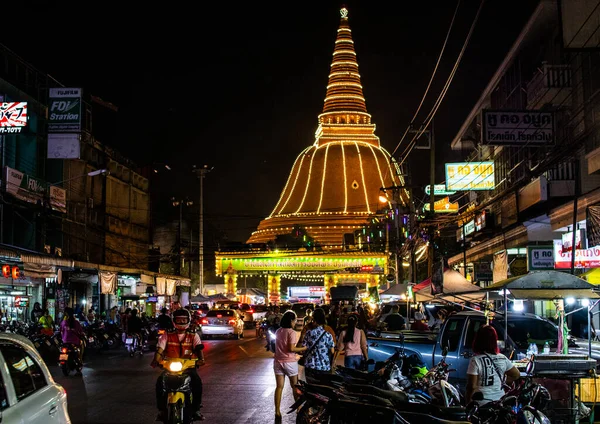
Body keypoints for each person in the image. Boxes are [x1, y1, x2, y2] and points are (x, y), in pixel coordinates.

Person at [151, 308, 205, 421]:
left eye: (183, 320)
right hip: (170, 367)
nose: (181, 322)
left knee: (197, 383)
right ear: (174, 321)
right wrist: (156, 360)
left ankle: (196, 410)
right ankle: (161, 410)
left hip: (188, 367)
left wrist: (201, 359)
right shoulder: (167, 334)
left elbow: (199, 349)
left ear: (188, 321)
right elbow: (160, 349)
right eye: (178, 320)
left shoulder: (193, 335)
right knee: (160, 383)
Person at [465, 325, 520, 405]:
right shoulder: (502, 358)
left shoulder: (475, 360)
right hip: (499, 402)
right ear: (495, 341)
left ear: (477, 340)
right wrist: (502, 382)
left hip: (481, 403)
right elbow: (516, 374)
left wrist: (468, 403)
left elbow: (471, 387)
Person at [273, 310, 307, 421]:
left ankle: (277, 411)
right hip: (290, 363)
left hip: (278, 362)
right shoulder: (291, 332)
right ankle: (299, 409)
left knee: (279, 387)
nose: (295, 322)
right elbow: (291, 348)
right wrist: (303, 348)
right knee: (295, 386)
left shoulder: (278, 331)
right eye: (295, 320)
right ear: (291, 320)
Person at [301, 308, 335, 380]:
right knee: (322, 388)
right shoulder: (328, 335)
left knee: (310, 388)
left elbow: (303, 349)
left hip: (310, 366)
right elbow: (332, 351)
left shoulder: (308, 333)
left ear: (314, 320)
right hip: (324, 366)